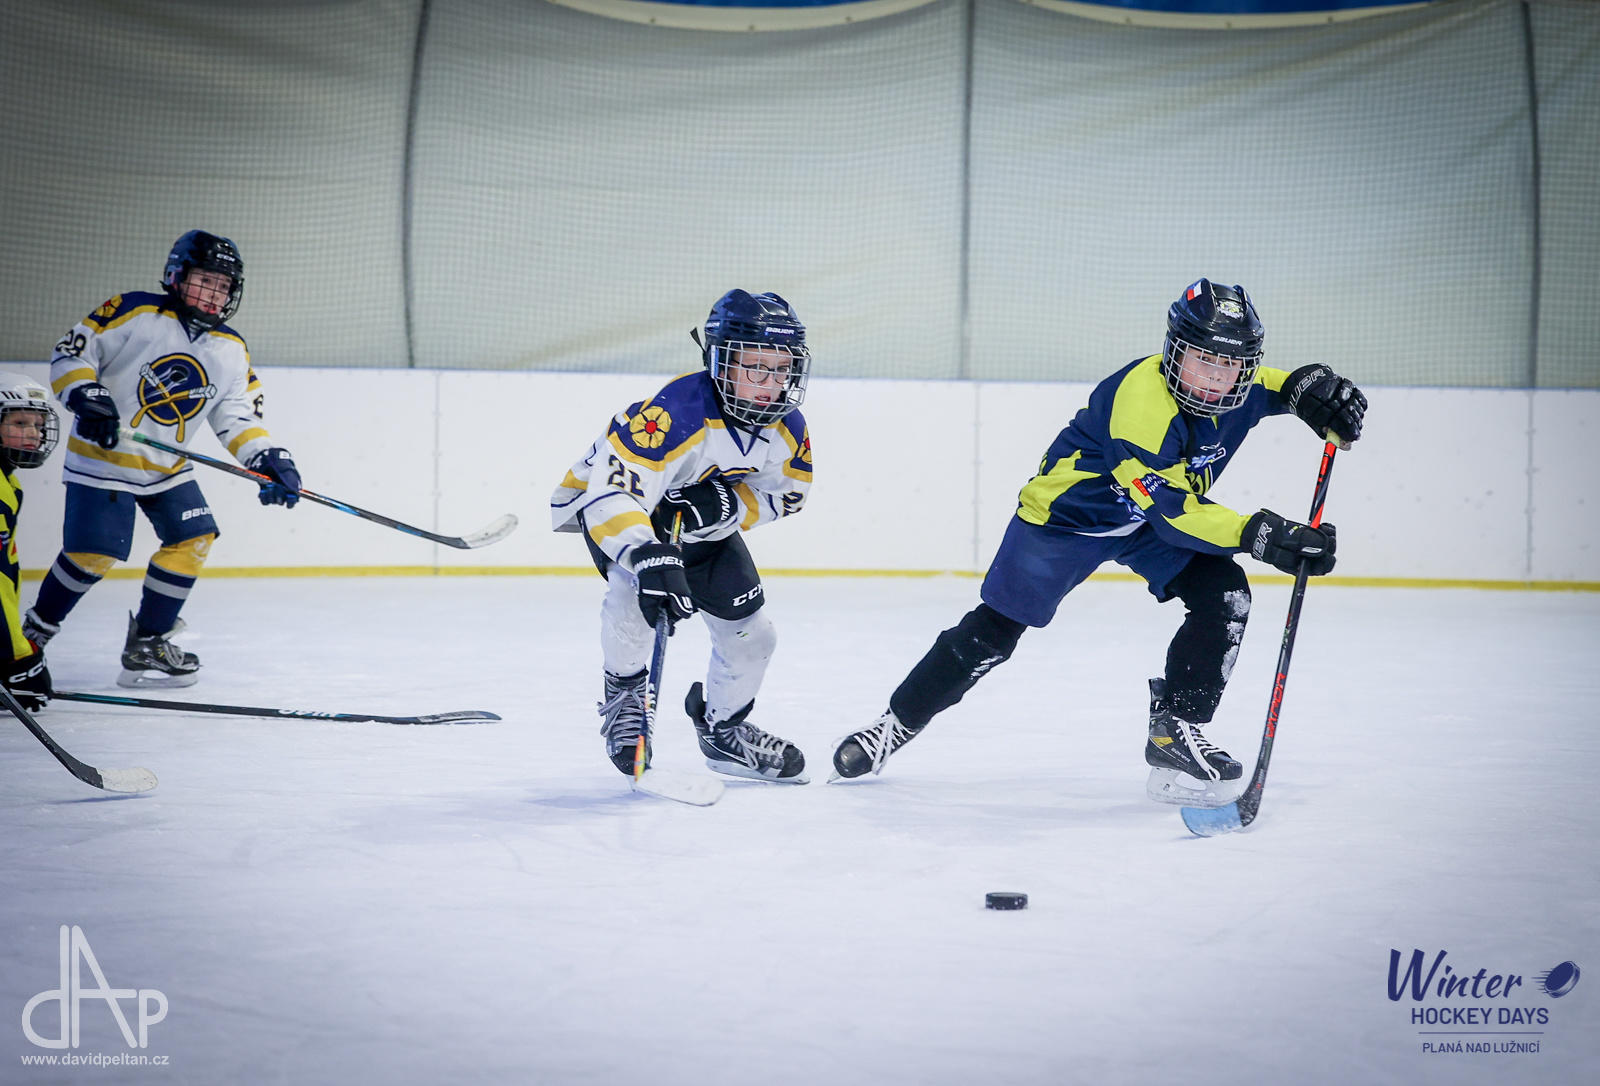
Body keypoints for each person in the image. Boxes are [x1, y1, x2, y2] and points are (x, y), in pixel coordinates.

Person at [831, 278, 1368, 806]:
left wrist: (1313, 388)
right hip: (1068, 521)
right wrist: (1262, 533)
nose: (1214, 377)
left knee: (1223, 594)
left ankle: (1175, 731)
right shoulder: (1141, 408)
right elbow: (1174, 513)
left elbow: (1286, 385)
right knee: (993, 633)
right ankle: (894, 725)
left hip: (1145, 524)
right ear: (1174, 351)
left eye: (1230, 364)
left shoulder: (1237, 388)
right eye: (1202, 359)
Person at [551, 289, 815, 784]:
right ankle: (626, 695)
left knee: (753, 635)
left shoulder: (787, 426)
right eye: (757, 367)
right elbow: (610, 494)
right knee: (632, 599)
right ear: (721, 361)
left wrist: (724, 505)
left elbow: (789, 493)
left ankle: (723, 732)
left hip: (704, 534)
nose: (771, 384)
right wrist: (648, 555)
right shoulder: (673, 414)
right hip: (627, 520)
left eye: (782, 369)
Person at [24, 230, 303, 688]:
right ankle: (30, 639)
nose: (214, 295)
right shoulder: (134, 311)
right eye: (205, 281)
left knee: (194, 538)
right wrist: (87, 397)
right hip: (103, 460)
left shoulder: (231, 348)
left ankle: (148, 643)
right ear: (177, 276)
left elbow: (237, 416)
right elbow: (72, 354)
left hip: (166, 468)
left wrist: (268, 458)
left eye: (223, 287)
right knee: (93, 554)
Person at [0, 373, 62, 713]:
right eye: (20, 423)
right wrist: (18, 658)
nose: (34, 434)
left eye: (37, 425)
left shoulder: (8, 482)